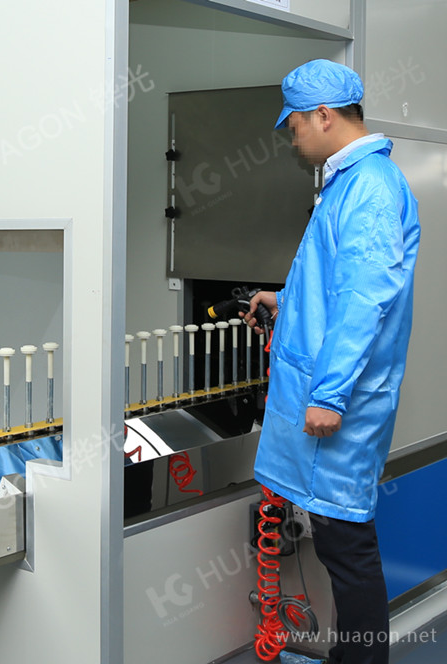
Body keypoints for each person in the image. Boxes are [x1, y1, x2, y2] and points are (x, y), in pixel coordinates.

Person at [243, 59, 420, 664]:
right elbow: (334, 286)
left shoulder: (371, 186)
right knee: (339, 544)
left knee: (347, 549)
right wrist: (286, 299)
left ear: (322, 115)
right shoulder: (350, 182)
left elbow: (364, 301)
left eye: (294, 124)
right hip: (331, 391)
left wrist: (328, 395)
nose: (292, 137)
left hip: (342, 401)